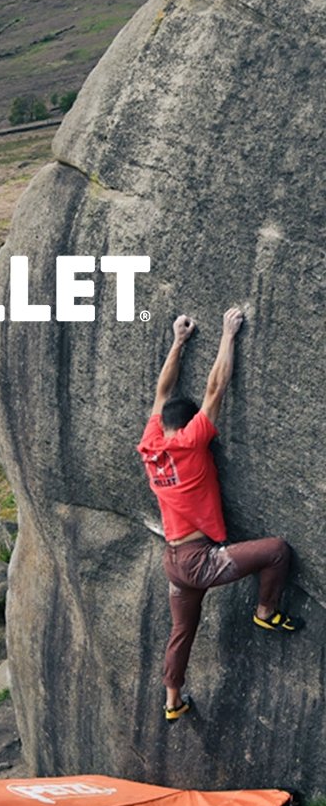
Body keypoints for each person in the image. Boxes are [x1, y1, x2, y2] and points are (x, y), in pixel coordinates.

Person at [137, 308, 302, 722]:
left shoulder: (151, 447)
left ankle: (173, 700)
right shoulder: (193, 442)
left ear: (165, 425)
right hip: (200, 561)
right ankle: (265, 612)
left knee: (182, 631)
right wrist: (228, 333)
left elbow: (161, 394)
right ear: (191, 425)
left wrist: (178, 341)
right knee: (278, 551)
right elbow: (215, 389)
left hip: (174, 563)